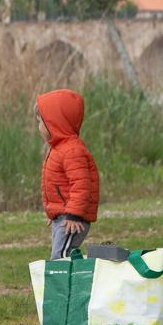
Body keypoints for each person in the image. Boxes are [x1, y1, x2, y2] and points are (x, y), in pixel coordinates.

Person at [35, 89, 100, 259]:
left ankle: (63, 286)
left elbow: (81, 185)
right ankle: (64, 285)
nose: (39, 126)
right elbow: (59, 186)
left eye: (41, 121)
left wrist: (74, 215)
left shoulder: (72, 150)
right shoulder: (59, 148)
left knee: (61, 257)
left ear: (55, 123)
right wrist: (54, 212)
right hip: (63, 216)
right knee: (60, 255)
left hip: (72, 218)